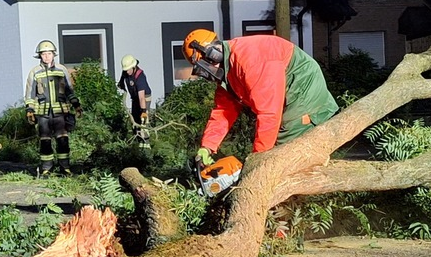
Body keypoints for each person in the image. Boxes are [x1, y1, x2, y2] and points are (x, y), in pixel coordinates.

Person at [183, 29, 338, 167]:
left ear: (212, 53)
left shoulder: (250, 59)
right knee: (276, 151)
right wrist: (207, 146)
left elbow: (269, 113)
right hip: (282, 96)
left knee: (283, 150)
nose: (209, 71)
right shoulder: (228, 70)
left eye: (207, 64)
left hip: (301, 87)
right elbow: (223, 111)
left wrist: (258, 160)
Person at [24, 39, 80, 175]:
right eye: (44, 54)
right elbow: (30, 93)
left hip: (60, 112)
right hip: (43, 114)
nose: (47, 56)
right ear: (40, 56)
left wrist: (77, 106)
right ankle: (46, 169)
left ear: (53, 54)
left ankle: (65, 168)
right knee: (45, 141)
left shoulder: (62, 70)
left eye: (49, 53)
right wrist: (29, 110)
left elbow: (69, 90)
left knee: (63, 140)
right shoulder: (34, 72)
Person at [117, 54, 152, 147]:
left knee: (143, 122)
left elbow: (141, 97)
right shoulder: (126, 71)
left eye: (128, 69)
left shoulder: (140, 77)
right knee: (135, 120)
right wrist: (121, 83)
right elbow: (123, 75)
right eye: (125, 70)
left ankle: (146, 145)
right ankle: (137, 142)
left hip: (144, 98)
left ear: (133, 66)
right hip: (135, 98)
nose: (127, 71)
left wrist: (144, 111)